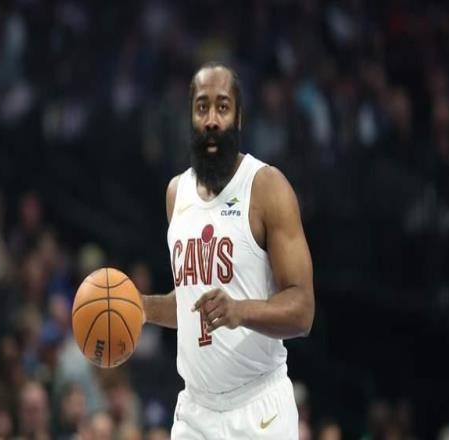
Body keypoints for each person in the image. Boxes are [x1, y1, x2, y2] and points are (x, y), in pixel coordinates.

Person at [142, 62, 315, 439]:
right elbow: (193, 305)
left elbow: (302, 310)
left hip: (258, 408)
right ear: (190, 118)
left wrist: (240, 310)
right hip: (195, 411)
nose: (211, 119)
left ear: (238, 118)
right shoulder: (176, 194)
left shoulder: (267, 187)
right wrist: (140, 308)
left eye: (222, 106)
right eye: (202, 107)